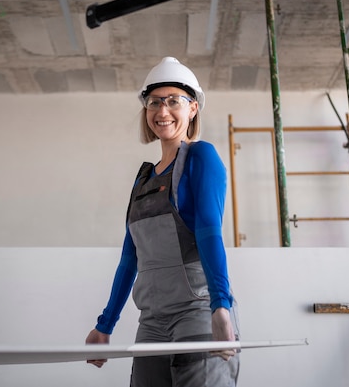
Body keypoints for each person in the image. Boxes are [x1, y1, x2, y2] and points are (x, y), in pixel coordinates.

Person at [85, 56, 240, 387]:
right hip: (152, 321)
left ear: (193, 108)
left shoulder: (201, 157)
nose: (162, 111)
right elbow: (130, 259)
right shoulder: (143, 179)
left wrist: (220, 306)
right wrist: (105, 324)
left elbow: (210, 233)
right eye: (155, 102)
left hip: (196, 313)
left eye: (173, 101)